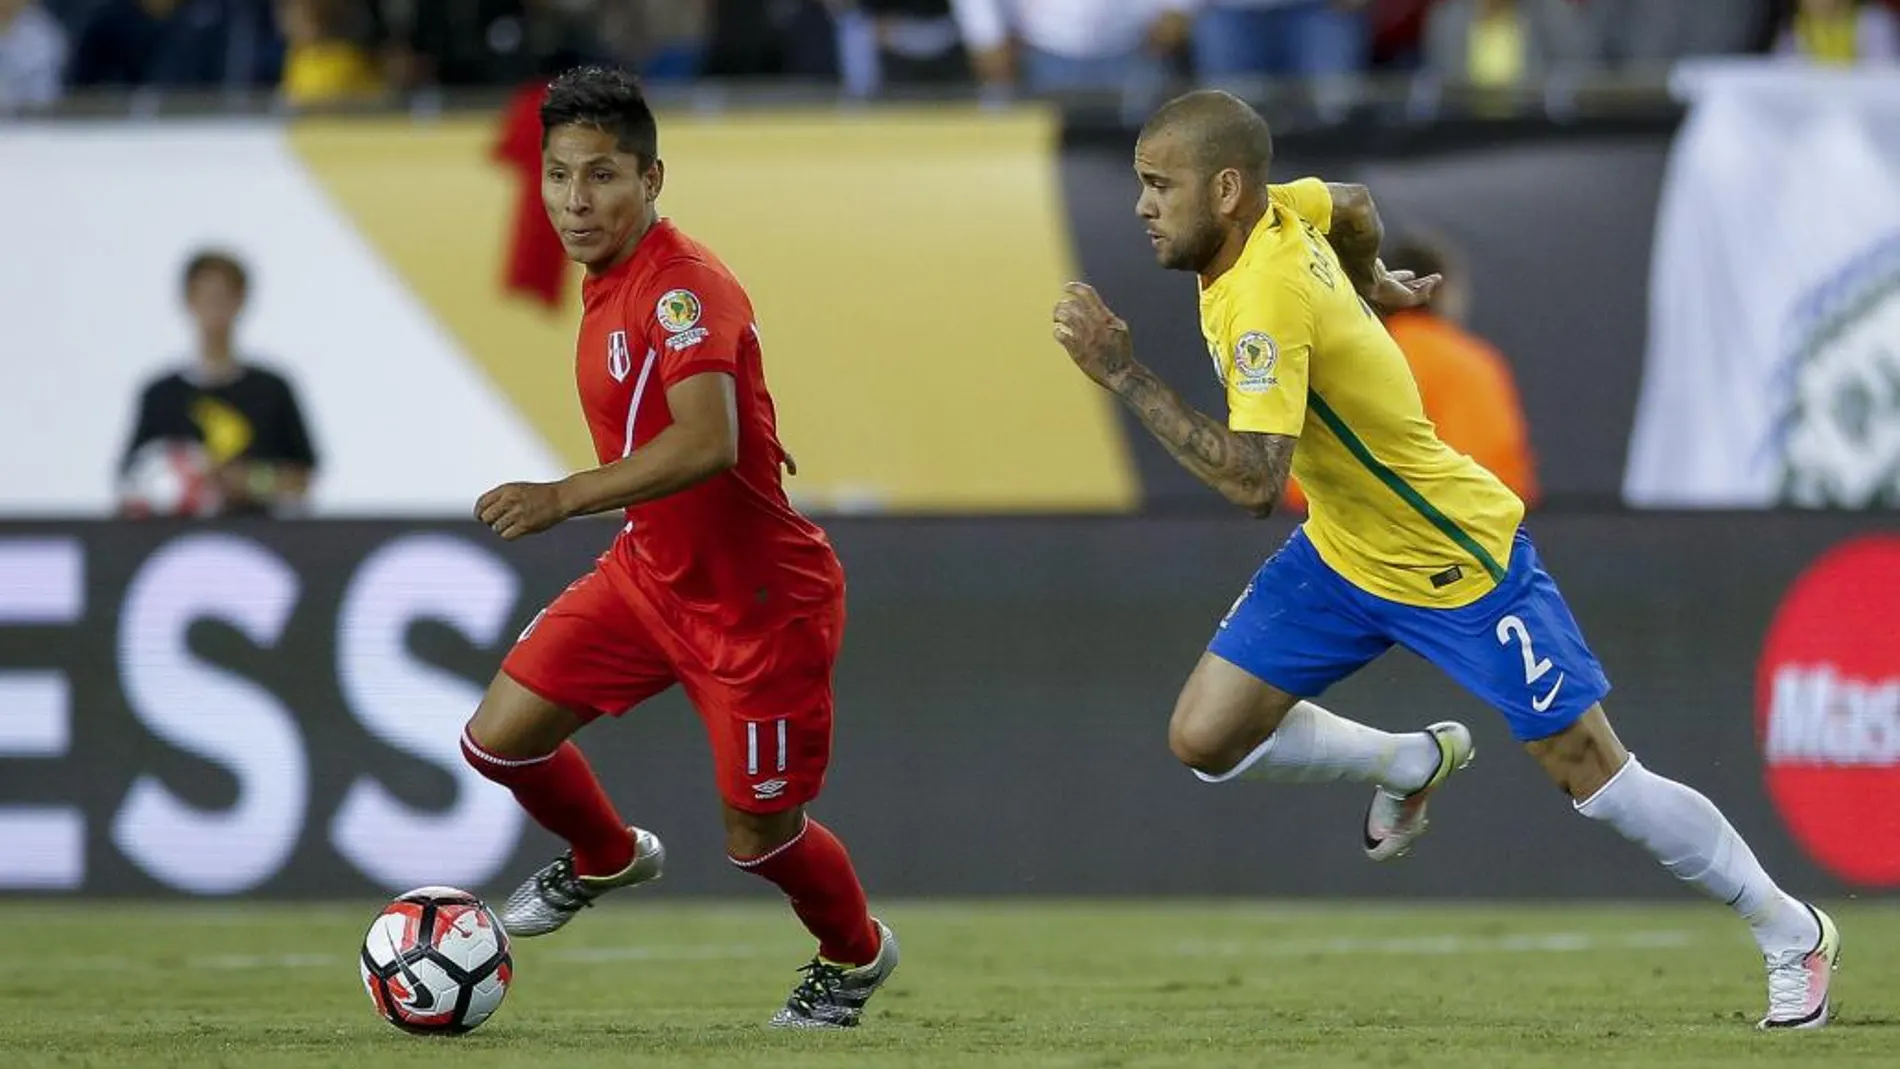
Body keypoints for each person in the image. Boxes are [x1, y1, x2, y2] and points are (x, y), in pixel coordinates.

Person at [1047, 89, 1841, 1030]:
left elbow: (1255, 483)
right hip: (1343, 551)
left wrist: (1123, 372)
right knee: (1205, 737)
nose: (1141, 205)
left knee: (1592, 770)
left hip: (1451, 557)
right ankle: (1411, 758)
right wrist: (1370, 278)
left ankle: (1792, 930)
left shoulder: (1263, 293)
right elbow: (1351, 202)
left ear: (1225, 189)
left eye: (1157, 185)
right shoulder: (1278, 209)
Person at [460, 65, 898, 1030]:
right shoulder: (605, 281)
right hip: (651, 575)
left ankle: (855, 955)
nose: (576, 200)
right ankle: (608, 854)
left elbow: (711, 441)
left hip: (758, 605)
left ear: (653, 180)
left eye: (604, 175)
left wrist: (563, 495)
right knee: (496, 739)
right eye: (560, 175)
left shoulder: (682, 289)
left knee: (760, 837)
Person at [119, 250, 318, 516]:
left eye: (223, 297)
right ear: (189, 301)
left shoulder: (272, 390)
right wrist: (179, 481)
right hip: (178, 540)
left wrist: (249, 480)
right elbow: (131, 479)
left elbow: (302, 480)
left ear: (240, 301)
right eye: (206, 297)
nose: (215, 310)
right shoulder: (161, 395)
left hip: (256, 535)